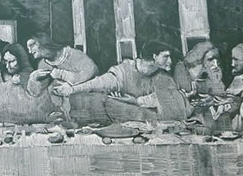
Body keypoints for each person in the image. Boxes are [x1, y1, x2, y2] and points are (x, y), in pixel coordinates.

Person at [53, 40, 188, 122]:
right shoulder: (124, 71)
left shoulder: (163, 78)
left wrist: (137, 101)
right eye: (165, 57)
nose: (170, 61)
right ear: (154, 56)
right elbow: (97, 83)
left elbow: (173, 106)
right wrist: (72, 89)